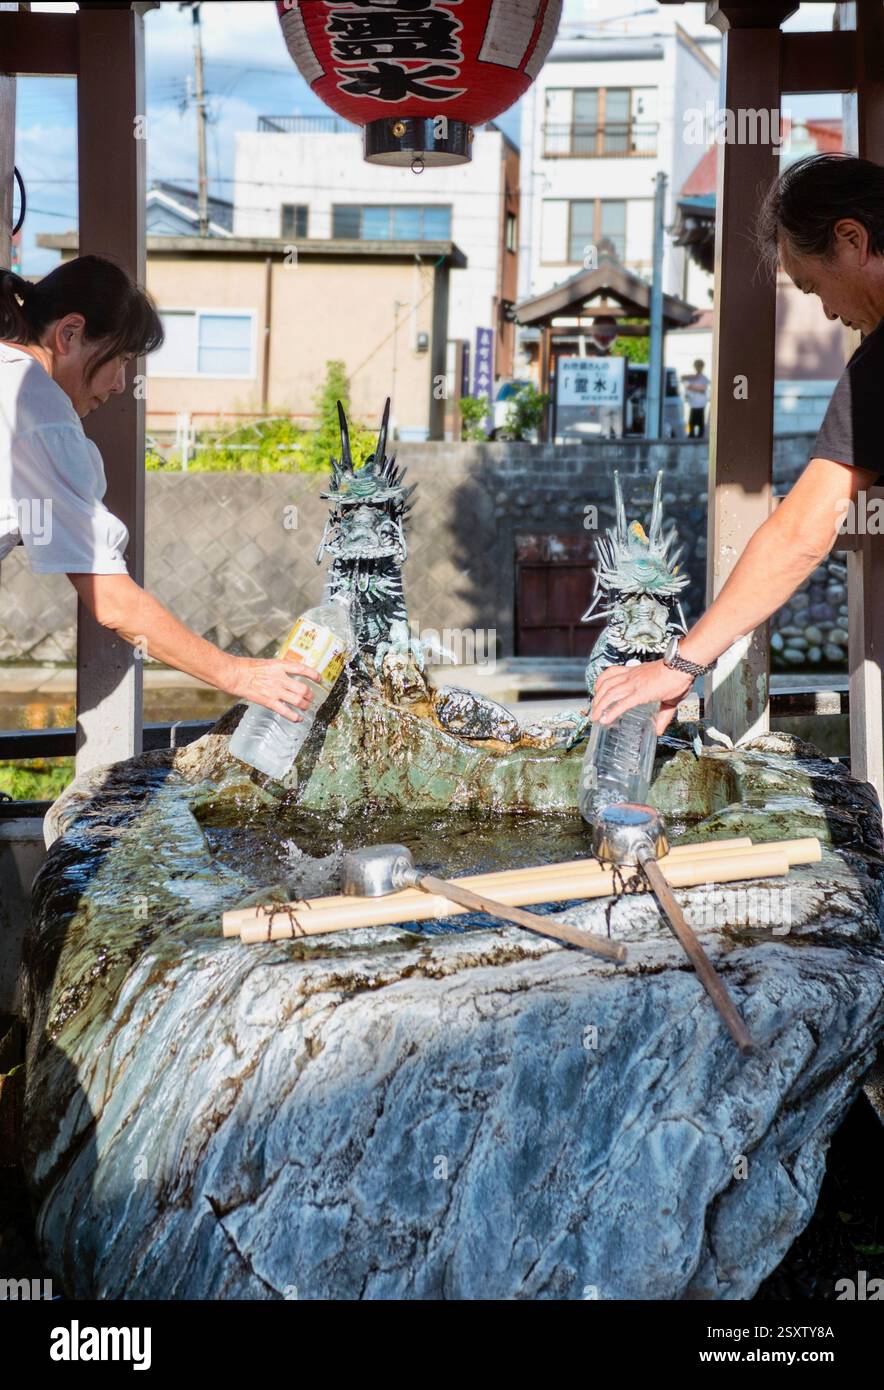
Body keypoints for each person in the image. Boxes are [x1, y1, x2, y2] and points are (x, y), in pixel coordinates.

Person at [591, 152, 884, 735]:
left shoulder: (876, 368)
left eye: (813, 285)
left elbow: (803, 531)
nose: (827, 310)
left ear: (851, 239)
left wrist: (680, 663)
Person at [0, 256, 319, 729]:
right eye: (121, 360)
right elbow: (111, 599)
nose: (119, 384)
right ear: (69, 334)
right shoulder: (36, 403)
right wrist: (238, 674)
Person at [681, 358, 710, 437]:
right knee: (691, 421)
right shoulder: (692, 378)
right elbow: (683, 378)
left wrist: (691, 387)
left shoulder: (704, 378)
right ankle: (690, 434)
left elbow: (702, 389)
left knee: (700, 421)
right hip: (693, 403)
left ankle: (700, 434)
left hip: (701, 403)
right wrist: (693, 379)